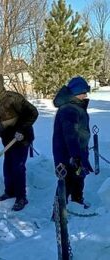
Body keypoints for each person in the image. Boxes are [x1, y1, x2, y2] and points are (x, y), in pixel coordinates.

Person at [0, 73, 38, 211]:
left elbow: (33, 113)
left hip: (21, 139)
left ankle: (21, 197)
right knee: (8, 167)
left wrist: (21, 130)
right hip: (8, 141)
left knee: (18, 168)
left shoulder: (13, 99)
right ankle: (10, 191)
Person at [52, 76, 93, 206]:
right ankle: (58, 213)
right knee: (67, 180)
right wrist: (75, 156)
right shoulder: (69, 109)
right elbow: (70, 134)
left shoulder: (75, 106)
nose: (85, 95)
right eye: (83, 92)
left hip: (78, 150)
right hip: (68, 153)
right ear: (76, 92)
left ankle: (77, 201)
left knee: (79, 177)